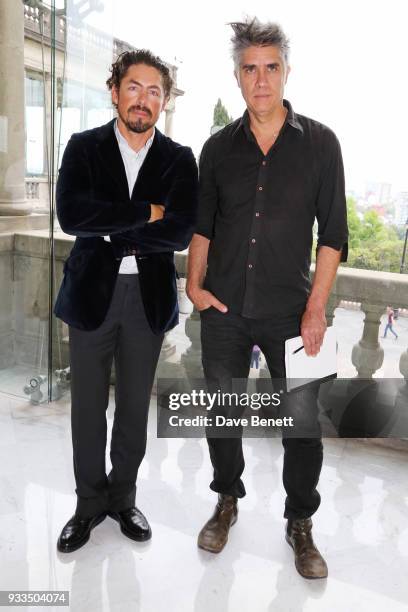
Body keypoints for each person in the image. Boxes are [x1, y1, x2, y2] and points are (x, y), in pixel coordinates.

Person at [187, 18, 348, 579]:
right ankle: (227, 498)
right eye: (250, 68)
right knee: (221, 415)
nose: (261, 79)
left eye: (271, 67)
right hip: (225, 309)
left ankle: (300, 522)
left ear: (286, 72)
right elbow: (202, 226)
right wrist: (193, 283)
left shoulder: (322, 144)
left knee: (304, 426)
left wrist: (315, 309)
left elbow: (333, 236)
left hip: (294, 311)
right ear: (237, 76)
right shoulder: (216, 149)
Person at [54, 49, 198, 552]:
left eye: (154, 91)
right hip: (91, 294)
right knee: (88, 409)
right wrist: (146, 213)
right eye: (134, 87)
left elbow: (180, 231)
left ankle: (123, 498)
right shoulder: (82, 147)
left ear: (164, 101)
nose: (144, 99)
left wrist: (114, 226)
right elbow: (73, 217)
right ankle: (87, 505)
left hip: (148, 299)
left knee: (135, 407)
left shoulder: (180, 159)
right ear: (114, 91)